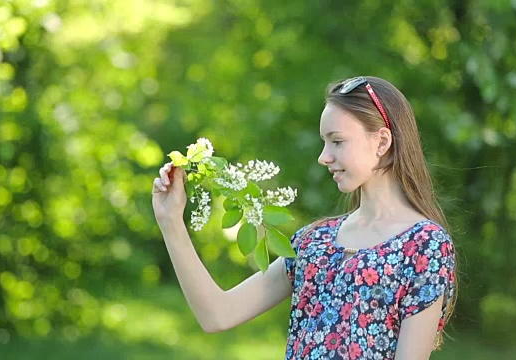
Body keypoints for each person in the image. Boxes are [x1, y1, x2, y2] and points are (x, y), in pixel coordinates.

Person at [151, 76, 457, 360]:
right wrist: (170, 221)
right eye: (325, 142)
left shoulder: (424, 246)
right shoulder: (314, 242)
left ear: (382, 142)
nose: (324, 156)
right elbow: (217, 314)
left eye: (337, 141)